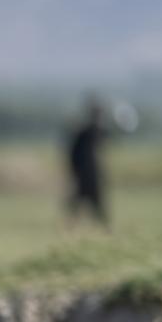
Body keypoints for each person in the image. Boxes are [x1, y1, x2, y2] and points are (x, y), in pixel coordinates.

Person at [67, 96, 110, 227]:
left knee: (90, 203)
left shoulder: (94, 131)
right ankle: (71, 226)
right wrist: (76, 170)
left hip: (91, 174)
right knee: (83, 202)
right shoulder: (86, 133)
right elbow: (74, 154)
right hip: (86, 174)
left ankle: (103, 228)